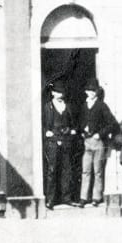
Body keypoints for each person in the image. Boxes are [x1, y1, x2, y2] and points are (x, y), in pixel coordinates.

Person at [79, 79, 117, 207]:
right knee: (85, 170)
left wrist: (100, 134)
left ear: (97, 92)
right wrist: (82, 131)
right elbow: (79, 122)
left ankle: (97, 197)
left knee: (98, 171)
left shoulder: (102, 105)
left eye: (93, 90)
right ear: (85, 92)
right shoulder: (84, 106)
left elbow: (112, 124)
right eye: (88, 90)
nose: (91, 93)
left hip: (98, 142)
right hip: (87, 142)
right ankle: (83, 197)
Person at [42, 81, 78, 209]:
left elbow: (73, 123)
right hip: (52, 142)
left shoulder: (67, 106)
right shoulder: (48, 106)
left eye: (61, 92)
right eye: (57, 92)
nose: (59, 94)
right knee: (52, 170)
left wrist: (72, 130)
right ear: (52, 93)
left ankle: (66, 198)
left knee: (66, 169)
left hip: (66, 140)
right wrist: (47, 132)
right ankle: (50, 199)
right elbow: (44, 124)